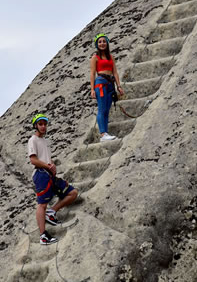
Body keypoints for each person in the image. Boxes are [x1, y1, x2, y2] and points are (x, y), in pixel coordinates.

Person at [28, 113, 78, 245]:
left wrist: (52, 165)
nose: (43, 127)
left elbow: (46, 158)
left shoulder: (45, 141)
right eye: (40, 124)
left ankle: (52, 212)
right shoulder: (33, 140)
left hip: (49, 174)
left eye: (45, 124)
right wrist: (47, 166)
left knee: (72, 193)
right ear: (35, 126)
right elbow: (33, 160)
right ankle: (43, 236)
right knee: (42, 204)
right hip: (40, 174)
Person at [90, 33, 124, 142]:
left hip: (110, 83)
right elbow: (92, 73)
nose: (102, 43)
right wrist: (92, 89)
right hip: (100, 83)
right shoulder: (95, 58)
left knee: (107, 109)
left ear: (107, 43)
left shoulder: (111, 57)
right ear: (97, 44)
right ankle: (103, 134)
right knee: (102, 108)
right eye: (100, 42)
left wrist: (119, 86)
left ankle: (106, 133)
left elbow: (115, 72)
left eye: (104, 41)